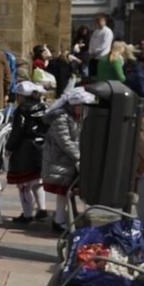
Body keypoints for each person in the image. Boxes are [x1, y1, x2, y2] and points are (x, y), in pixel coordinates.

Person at [41, 85, 91, 229]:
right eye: (82, 106)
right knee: (63, 192)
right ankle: (59, 221)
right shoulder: (61, 118)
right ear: (74, 105)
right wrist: (79, 157)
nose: (84, 110)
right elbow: (66, 142)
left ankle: (60, 218)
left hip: (66, 161)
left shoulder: (76, 117)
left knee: (65, 192)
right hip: (58, 160)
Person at [5, 84, 49, 221]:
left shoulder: (22, 110)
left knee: (23, 184)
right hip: (41, 147)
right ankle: (42, 209)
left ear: (21, 96)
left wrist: (9, 147)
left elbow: (17, 131)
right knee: (37, 181)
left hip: (25, 150)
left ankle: (28, 214)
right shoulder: (43, 107)